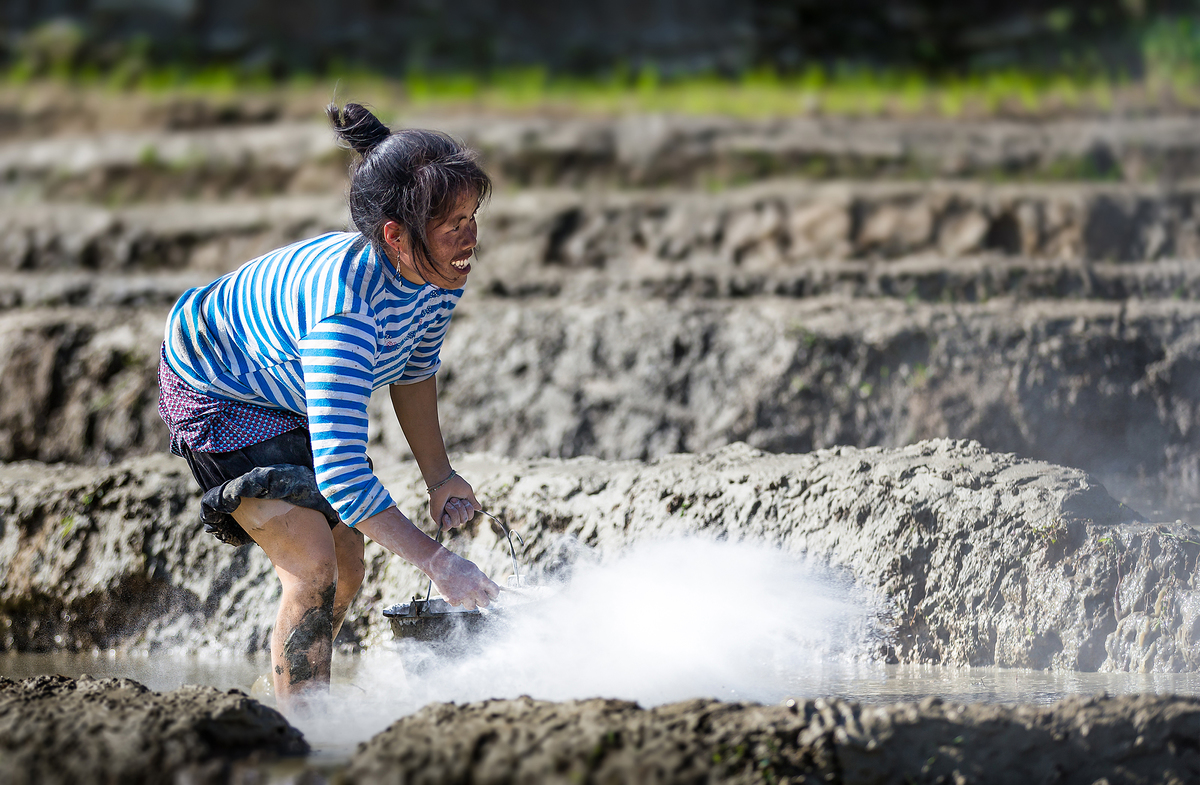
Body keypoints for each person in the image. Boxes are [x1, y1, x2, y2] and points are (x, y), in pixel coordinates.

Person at [156, 102, 501, 715]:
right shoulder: (343, 314)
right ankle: (302, 732)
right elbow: (345, 476)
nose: (469, 238)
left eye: (472, 217)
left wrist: (440, 477)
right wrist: (439, 562)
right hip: (220, 388)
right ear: (394, 235)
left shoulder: (440, 270)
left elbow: (416, 368)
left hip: (285, 376)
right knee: (312, 567)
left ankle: (292, 694)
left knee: (348, 569)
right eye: (452, 223)